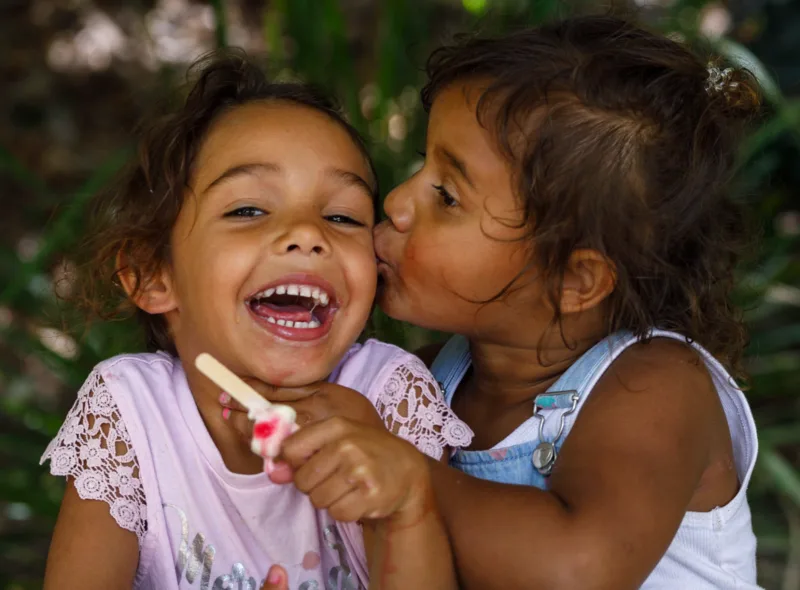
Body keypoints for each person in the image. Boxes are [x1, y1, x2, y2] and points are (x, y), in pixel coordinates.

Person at [241, 15, 763, 590]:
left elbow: (576, 570)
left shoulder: (659, 385)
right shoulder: (430, 380)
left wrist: (403, 472)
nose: (396, 201)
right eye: (422, 166)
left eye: (446, 195)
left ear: (574, 280)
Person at [40, 49, 470, 590]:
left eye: (342, 216)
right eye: (248, 210)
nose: (309, 234)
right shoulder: (131, 415)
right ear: (154, 276)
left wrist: (406, 505)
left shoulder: (390, 398)